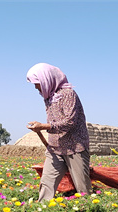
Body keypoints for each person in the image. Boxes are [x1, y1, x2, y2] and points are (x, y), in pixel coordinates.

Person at [26, 63, 92, 202]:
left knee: (82, 188)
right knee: (47, 182)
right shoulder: (49, 97)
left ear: (46, 79)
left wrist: (44, 126)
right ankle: (42, 210)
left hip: (75, 147)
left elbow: (69, 122)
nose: (36, 87)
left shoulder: (68, 94)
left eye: (37, 83)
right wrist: (42, 127)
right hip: (55, 148)